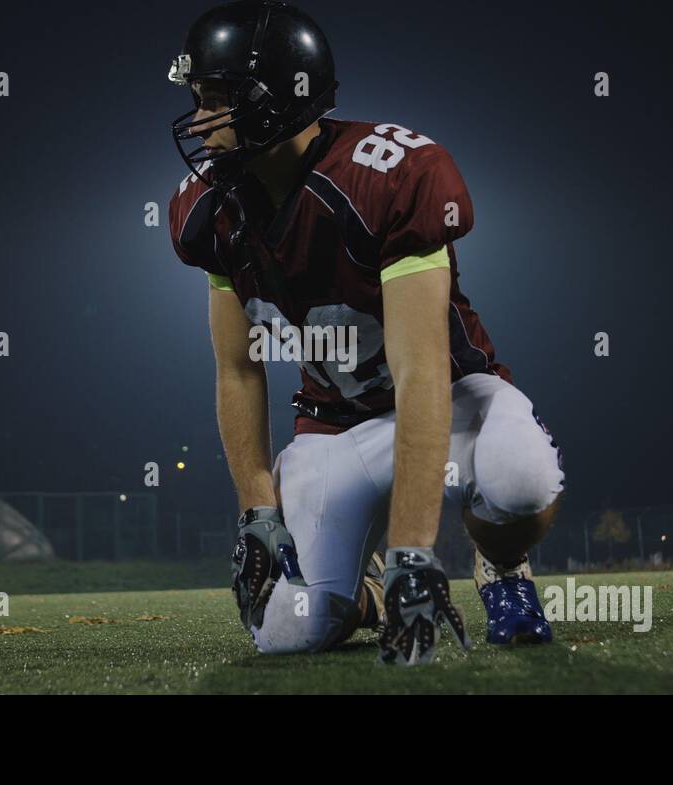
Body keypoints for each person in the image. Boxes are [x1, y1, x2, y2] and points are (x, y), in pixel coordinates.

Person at [166, 0, 565, 665]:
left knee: (520, 477)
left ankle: (502, 565)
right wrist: (257, 511)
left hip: (452, 402)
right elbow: (238, 369)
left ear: (270, 103)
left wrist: (416, 546)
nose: (200, 121)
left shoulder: (390, 176)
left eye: (216, 100)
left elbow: (420, 373)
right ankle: (369, 594)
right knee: (288, 628)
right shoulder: (212, 209)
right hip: (335, 427)